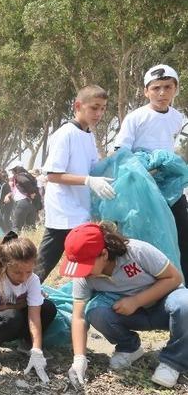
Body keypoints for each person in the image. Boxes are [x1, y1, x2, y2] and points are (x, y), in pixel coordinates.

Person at [63, 222, 187, 389]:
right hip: (131, 315)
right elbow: (79, 317)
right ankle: (129, 348)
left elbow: (174, 278)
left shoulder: (137, 252)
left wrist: (136, 301)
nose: (81, 273)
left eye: (85, 266)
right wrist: (79, 358)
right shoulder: (84, 276)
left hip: (164, 308)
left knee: (184, 303)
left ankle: (173, 362)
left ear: (104, 254)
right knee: (95, 311)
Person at [114, 64, 188, 277]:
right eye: (156, 88)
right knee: (142, 239)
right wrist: (145, 168)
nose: (162, 93)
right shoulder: (136, 118)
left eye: (167, 86)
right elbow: (121, 152)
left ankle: (181, 283)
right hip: (141, 189)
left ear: (176, 89)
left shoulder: (178, 117)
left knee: (182, 232)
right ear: (146, 91)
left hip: (171, 190)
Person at [35, 85, 115, 282]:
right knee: (43, 266)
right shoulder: (66, 134)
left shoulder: (88, 135)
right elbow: (53, 174)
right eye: (94, 107)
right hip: (64, 213)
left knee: (89, 264)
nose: (99, 113)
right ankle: (18, 301)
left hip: (80, 211)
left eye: (103, 108)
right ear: (78, 106)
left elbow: (93, 167)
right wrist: (88, 180)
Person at [0, 232, 56, 380]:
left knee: (48, 307)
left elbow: (35, 316)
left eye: (28, 271)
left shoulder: (33, 280)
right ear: (5, 265)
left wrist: (37, 349)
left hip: (15, 320)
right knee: (12, 316)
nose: (24, 277)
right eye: (17, 273)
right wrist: (21, 304)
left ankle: (27, 344)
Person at [7, 166, 40, 232]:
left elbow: (25, 182)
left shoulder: (19, 176)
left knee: (16, 227)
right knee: (30, 228)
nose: (12, 172)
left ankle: (11, 242)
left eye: (13, 170)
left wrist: (31, 192)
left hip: (22, 203)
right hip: (31, 203)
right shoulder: (29, 176)